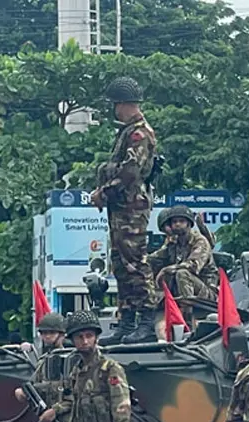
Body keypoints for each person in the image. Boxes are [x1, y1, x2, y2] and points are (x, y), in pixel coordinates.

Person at [94, 76, 160, 346]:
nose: (114, 110)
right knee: (121, 264)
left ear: (123, 104)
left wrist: (104, 192)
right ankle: (127, 320)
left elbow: (131, 173)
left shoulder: (138, 133)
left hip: (131, 207)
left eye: (115, 105)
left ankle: (146, 322)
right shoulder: (126, 132)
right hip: (121, 208)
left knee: (136, 263)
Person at [151, 205, 218, 307]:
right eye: (174, 222)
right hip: (182, 289)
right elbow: (155, 258)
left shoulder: (199, 241)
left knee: (182, 273)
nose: (177, 224)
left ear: (189, 224)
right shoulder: (173, 242)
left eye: (181, 221)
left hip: (206, 292)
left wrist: (166, 270)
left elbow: (193, 266)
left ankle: (187, 317)